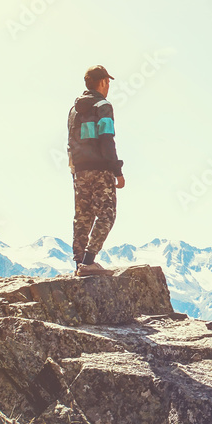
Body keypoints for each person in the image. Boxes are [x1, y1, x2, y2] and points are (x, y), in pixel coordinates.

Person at [67, 65, 125, 276]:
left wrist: (75, 170)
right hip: (100, 169)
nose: (109, 86)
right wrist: (116, 170)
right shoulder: (103, 106)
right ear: (101, 82)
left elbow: (70, 142)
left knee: (82, 217)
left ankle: (78, 264)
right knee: (107, 214)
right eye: (108, 82)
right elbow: (106, 138)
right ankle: (89, 262)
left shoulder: (73, 110)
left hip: (80, 170)